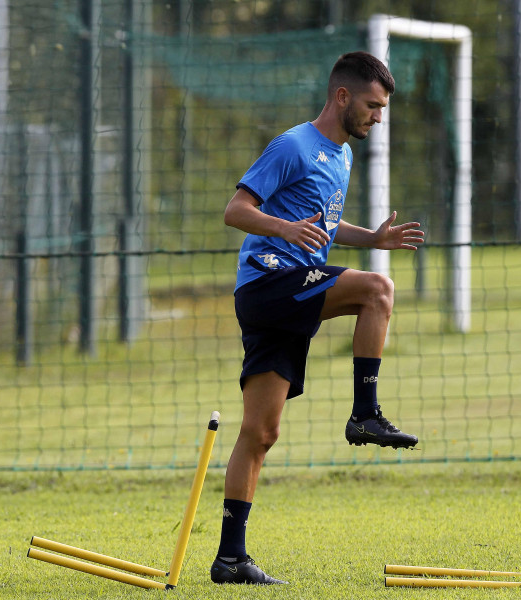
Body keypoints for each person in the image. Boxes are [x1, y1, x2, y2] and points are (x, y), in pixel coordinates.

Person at [210, 51, 423, 586]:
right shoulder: (292, 145)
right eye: (374, 106)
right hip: (268, 283)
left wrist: (371, 238)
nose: (379, 116)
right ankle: (365, 413)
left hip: (290, 293)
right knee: (377, 290)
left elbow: (322, 226)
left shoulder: (342, 156)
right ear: (343, 96)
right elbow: (237, 210)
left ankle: (230, 559)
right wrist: (282, 230)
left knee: (260, 432)